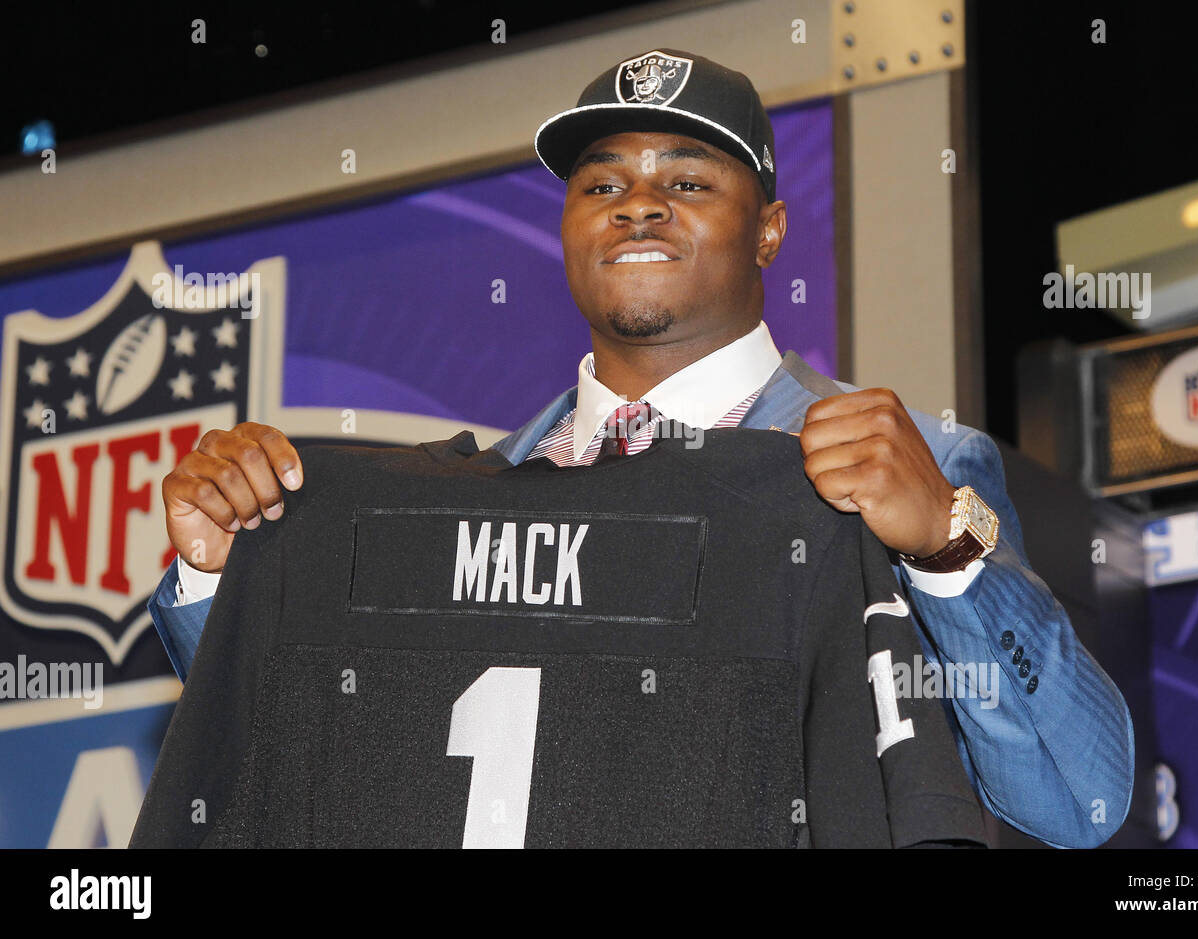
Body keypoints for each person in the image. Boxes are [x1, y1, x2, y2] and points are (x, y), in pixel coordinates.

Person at [148, 48, 1134, 848]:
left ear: (770, 231)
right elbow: (301, 759)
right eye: (601, 184)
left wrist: (945, 554)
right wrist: (224, 575)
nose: (639, 204)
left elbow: (1079, 800)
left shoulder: (904, 461)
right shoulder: (470, 494)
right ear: (570, 231)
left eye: (689, 180)